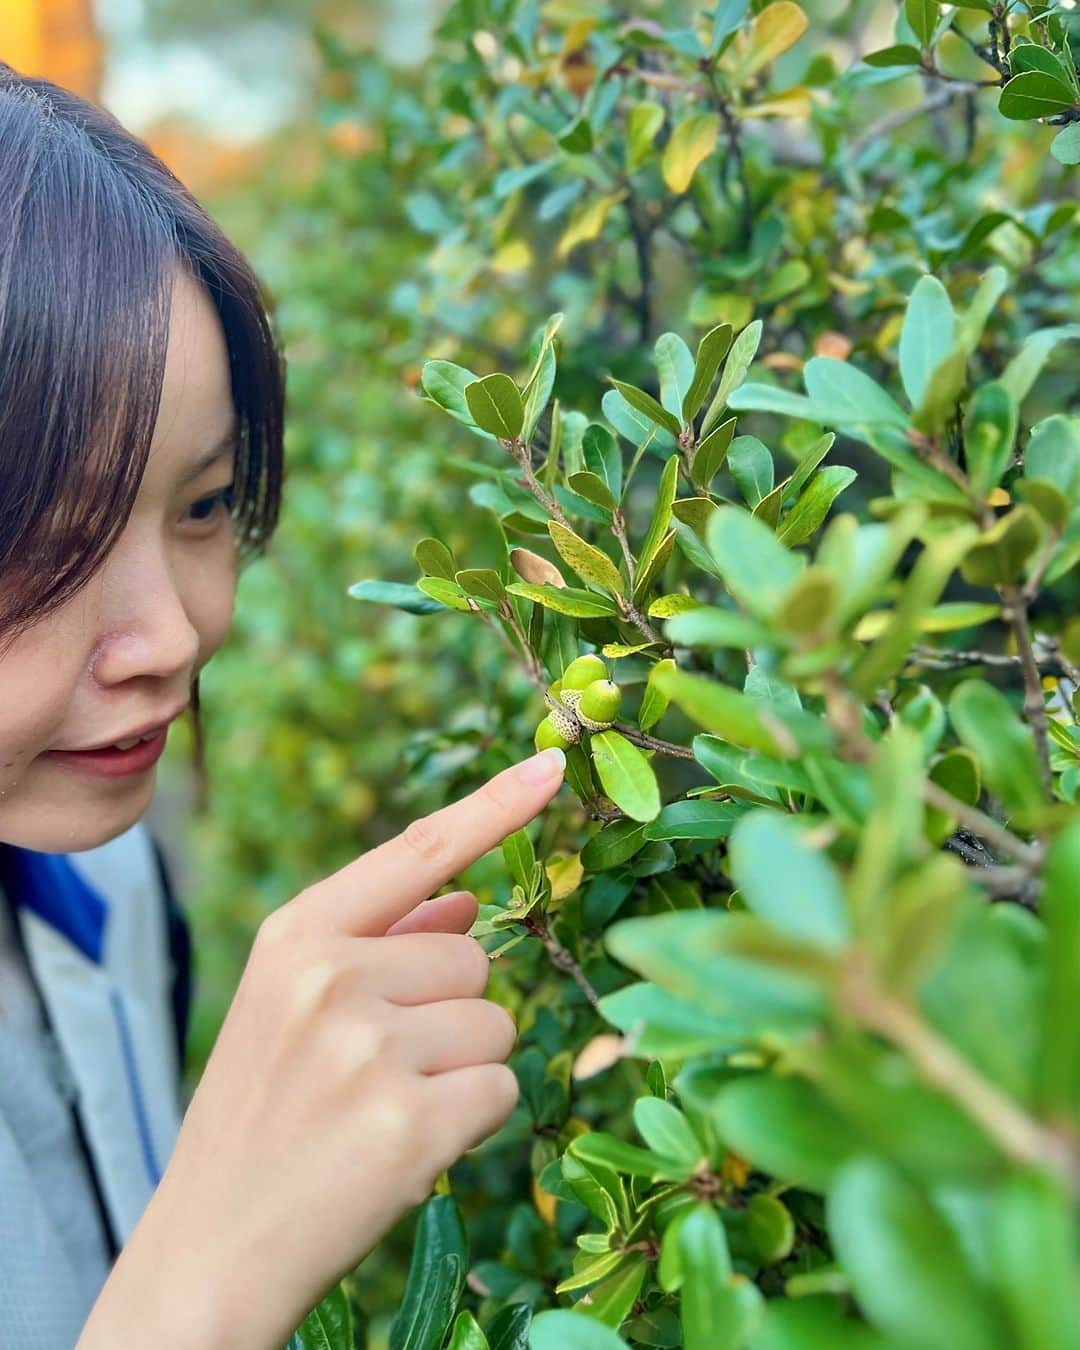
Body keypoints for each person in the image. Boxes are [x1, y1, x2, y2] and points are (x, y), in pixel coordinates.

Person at [0, 62, 566, 1349]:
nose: (178, 634)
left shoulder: (111, 878)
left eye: (201, 505)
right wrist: (204, 1285)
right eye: (44, 536)